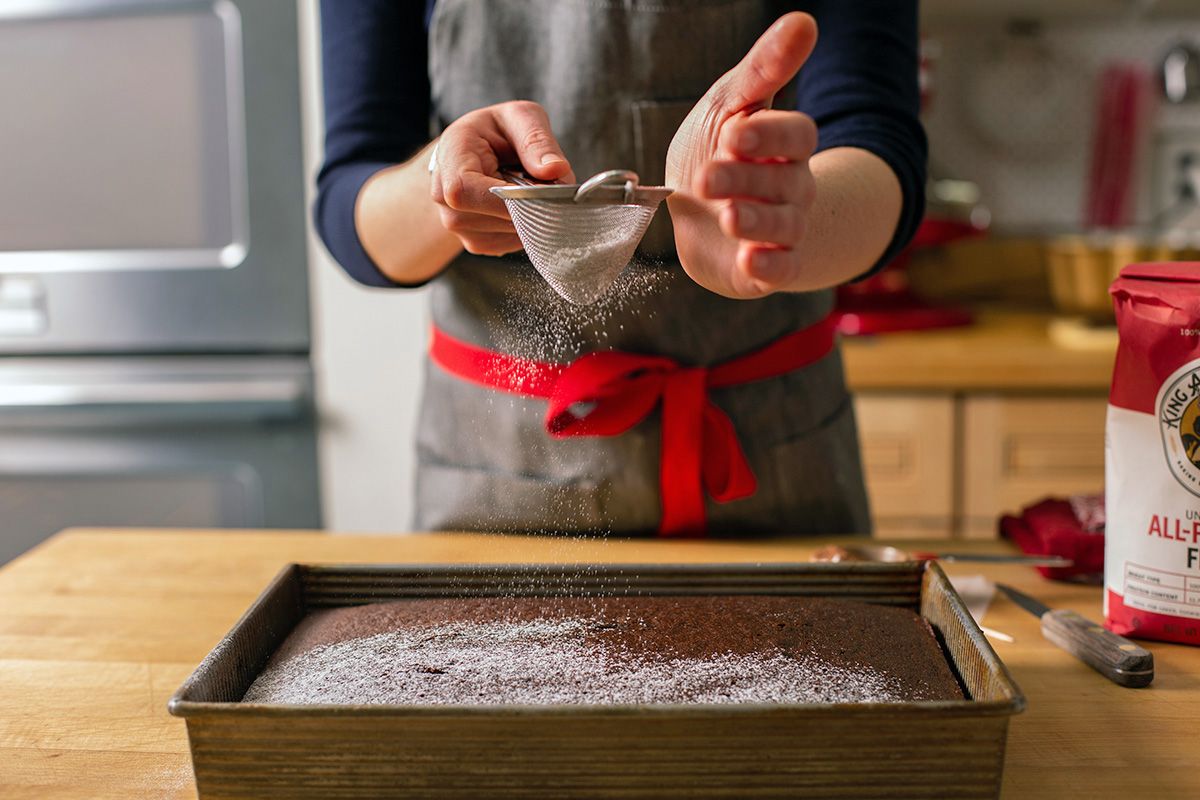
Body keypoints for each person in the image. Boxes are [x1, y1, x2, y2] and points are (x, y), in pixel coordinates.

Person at [315, 1, 927, 538]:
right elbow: (350, 202)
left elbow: (878, 141)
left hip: (774, 461)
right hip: (495, 471)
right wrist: (446, 190)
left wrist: (775, 221)